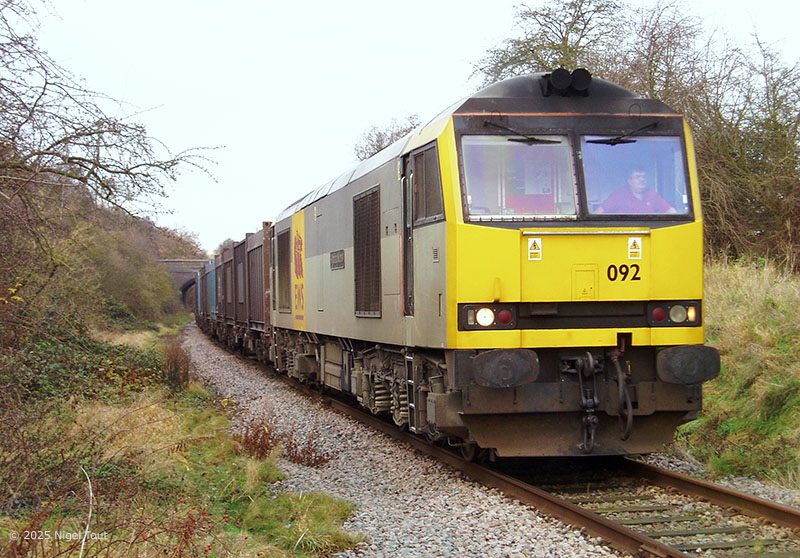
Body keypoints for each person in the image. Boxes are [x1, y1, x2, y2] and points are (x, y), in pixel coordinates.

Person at [595, 170, 677, 214]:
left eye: (643, 177)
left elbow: (671, 211)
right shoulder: (619, 195)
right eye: (638, 177)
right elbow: (599, 212)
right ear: (629, 181)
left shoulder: (652, 195)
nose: (642, 180)